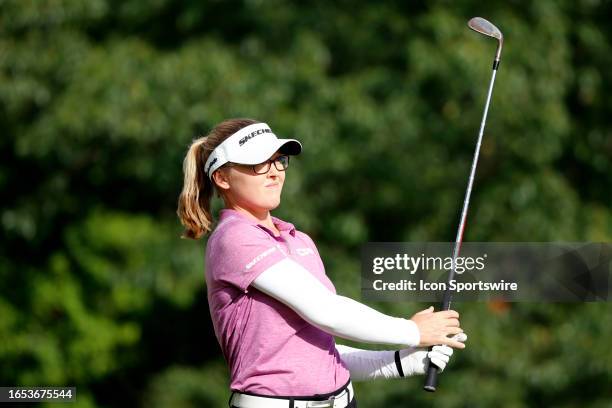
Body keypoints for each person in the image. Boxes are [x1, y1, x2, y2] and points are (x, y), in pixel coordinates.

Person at [177, 118, 467, 408]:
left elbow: (320, 350)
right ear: (222, 178)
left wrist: (401, 362)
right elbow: (326, 311)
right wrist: (412, 330)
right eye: (258, 164)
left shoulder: (298, 240)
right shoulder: (234, 238)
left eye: (278, 161)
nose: (274, 173)